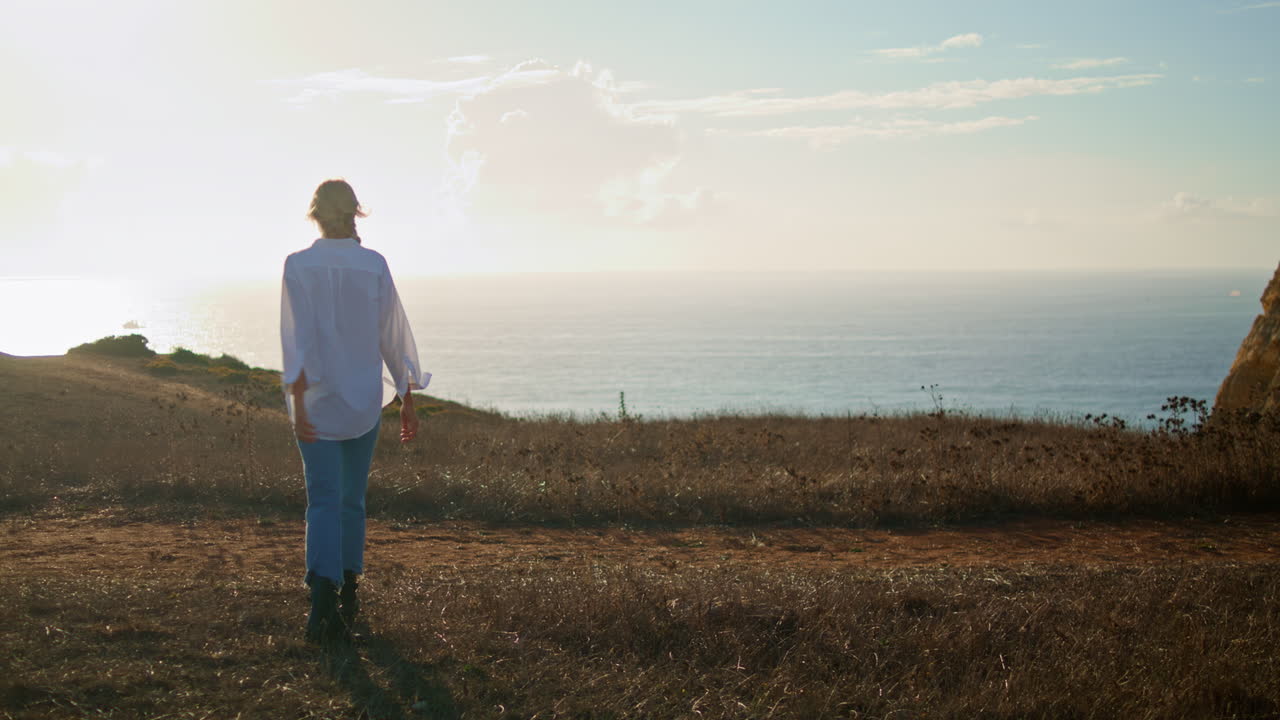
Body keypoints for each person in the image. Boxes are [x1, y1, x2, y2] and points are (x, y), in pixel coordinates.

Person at [280, 179, 430, 645]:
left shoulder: (298, 266)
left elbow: (296, 341)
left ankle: (322, 597)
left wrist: (297, 401)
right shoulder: (373, 265)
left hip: (319, 401)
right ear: (355, 214)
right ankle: (349, 589)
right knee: (352, 500)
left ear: (315, 214)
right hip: (365, 398)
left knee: (322, 500)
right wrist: (407, 396)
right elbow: (393, 334)